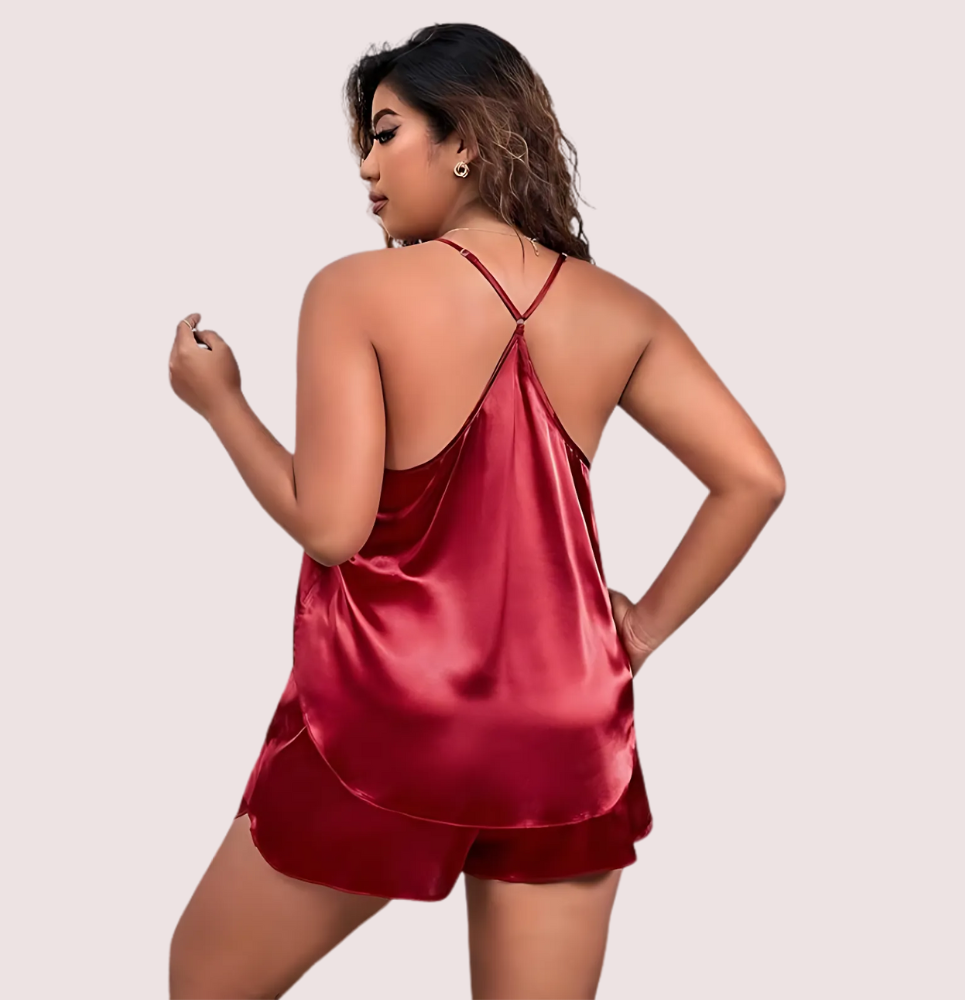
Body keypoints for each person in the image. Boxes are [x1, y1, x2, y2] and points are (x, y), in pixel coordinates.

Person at [167, 22, 785, 1000]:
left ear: (464, 139)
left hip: (391, 715)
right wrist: (638, 631)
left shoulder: (353, 290)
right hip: (565, 727)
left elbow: (331, 526)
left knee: (205, 979)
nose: (366, 167)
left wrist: (221, 404)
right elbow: (753, 477)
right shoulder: (619, 309)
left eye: (385, 134)